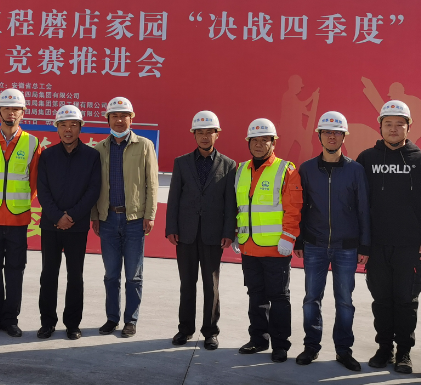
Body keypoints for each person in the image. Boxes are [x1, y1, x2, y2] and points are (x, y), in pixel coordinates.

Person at [355, 100, 421, 373]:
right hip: (377, 246)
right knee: (381, 301)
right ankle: (384, 349)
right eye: (388, 124)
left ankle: (404, 352)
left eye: (399, 124)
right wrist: (362, 243)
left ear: (408, 127)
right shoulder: (366, 159)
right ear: (380, 127)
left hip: (409, 247)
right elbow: (358, 204)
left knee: (406, 301)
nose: (393, 129)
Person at [295, 111, 370, 371]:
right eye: (327, 132)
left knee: (345, 301)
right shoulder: (306, 169)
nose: (331, 136)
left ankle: (343, 350)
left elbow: (363, 209)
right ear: (319, 136)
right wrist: (299, 240)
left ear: (344, 136)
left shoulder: (355, 170)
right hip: (314, 245)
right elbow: (300, 207)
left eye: (337, 132)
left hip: (346, 248)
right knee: (311, 299)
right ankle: (311, 346)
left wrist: (365, 245)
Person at [165, 111, 237, 350]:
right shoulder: (182, 162)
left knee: (211, 285)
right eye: (200, 132)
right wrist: (171, 228)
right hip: (185, 233)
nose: (205, 137)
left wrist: (228, 232)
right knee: (187, 284)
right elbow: (174, 198)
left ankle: (210, 332)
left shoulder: (228, 165)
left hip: (213, 235)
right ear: (194, 135)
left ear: (217, 134)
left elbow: (230, 203)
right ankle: (185, 329)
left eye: (209, 132)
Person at [0, 88, 41, 338]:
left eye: (16, 109)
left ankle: (11, 320)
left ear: (23, 113)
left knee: (15, 271)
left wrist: (18, 203)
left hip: (17, 218)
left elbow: (34, 182)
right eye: (6, 108)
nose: (11, 113)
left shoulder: (32, 142)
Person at [235, 118, 302, 363]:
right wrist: (237, 232)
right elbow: (238, 205)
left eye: (265, 140)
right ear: (248, 142)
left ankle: (281, 345)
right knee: (255, 296)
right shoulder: (241, 169)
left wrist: (288, 237)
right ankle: (258, 339)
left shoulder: (286, 169)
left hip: (276, 249)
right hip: (249, 247)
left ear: (274, 143)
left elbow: (293, 207)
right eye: (255, 140)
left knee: (279, 298)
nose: (259, 144)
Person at [90, 97, 158, 338]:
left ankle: (131, 320)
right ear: (108, 119)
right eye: (114, 116)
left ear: (132, 118)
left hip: (134, 220)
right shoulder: (99, 149)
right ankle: (112, 318)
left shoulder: (144, 145)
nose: (119, 121)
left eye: (124, 116)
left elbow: (152, 183)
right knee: (111, 275)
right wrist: (95, 215)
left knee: (133, 275)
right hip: (108, 219)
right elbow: (94, 186)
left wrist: (149, 215)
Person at [36, 105, 101, 340]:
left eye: (73, 125)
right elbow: (42, 190)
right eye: (63, 125)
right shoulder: (47, 156)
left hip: (77, 226)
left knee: (75, 276)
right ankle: (47, 323)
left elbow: (93, 190)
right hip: (50, 225)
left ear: (80, 127)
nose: (68, 129)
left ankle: (73, 324)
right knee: (48, 275)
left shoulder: (92, 156)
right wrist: (57, 217)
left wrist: (71, 216)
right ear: (57, 128)